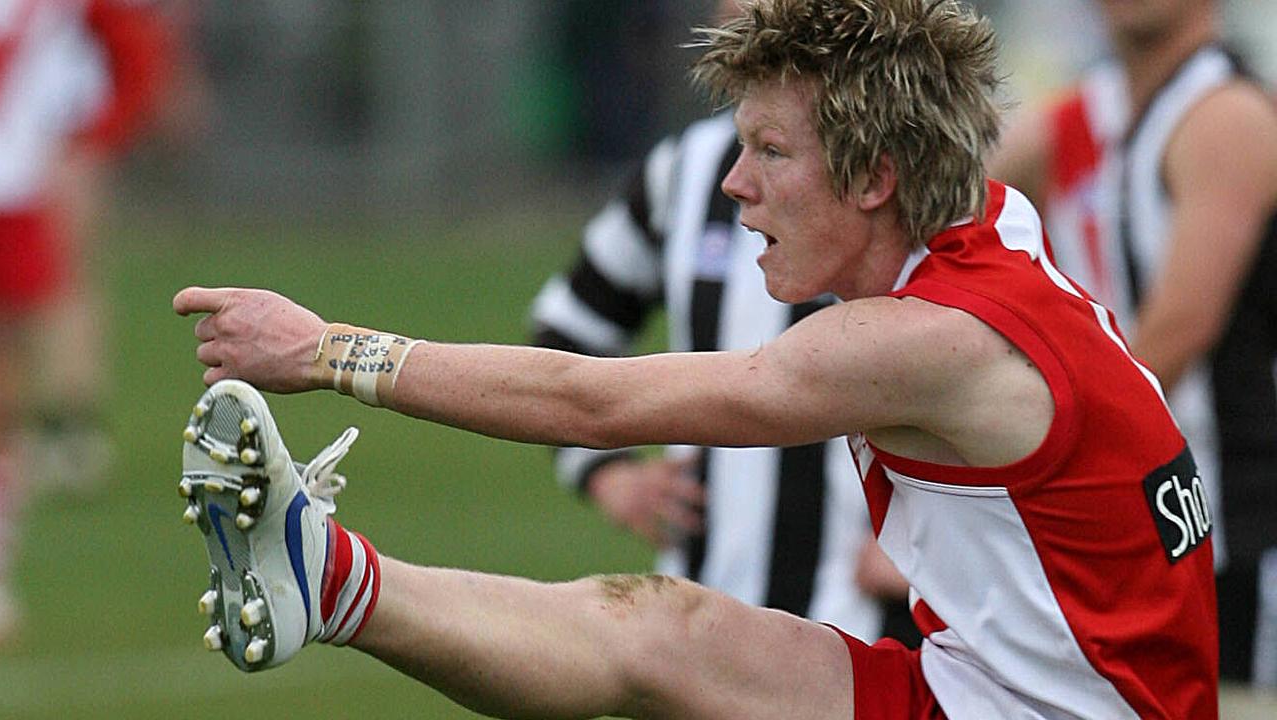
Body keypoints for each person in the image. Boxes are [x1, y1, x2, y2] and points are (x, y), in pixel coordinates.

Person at [173, 1, 1218, 717]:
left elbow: (590, 399)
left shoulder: (921, 341)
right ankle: (324, 575)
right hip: (977, 688)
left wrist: (321, 349)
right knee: (664, 631)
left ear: (873, 179)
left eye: (768, 152)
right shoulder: (993, 223)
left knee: (662, 651)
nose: (730, 185)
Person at [529, 0, 914, 647]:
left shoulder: (913, 170)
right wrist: (606, 474)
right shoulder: (687, 170)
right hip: (703, 625)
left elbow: (1022, 377)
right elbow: (568, 326)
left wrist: (950, 538)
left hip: (873, 633)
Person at [989, 0, 1277, 687]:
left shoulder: (1226, 113)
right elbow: (948, 196)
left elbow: (1177, 335)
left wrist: (1032, 470)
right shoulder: (1094, 109)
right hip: (1162, 515)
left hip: (1244, 522)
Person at [0, 0, 171, 647]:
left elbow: (133, 52)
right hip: (23, 173)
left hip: (23, 178)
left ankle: (69, 428)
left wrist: (96, 135)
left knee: (26, 347)